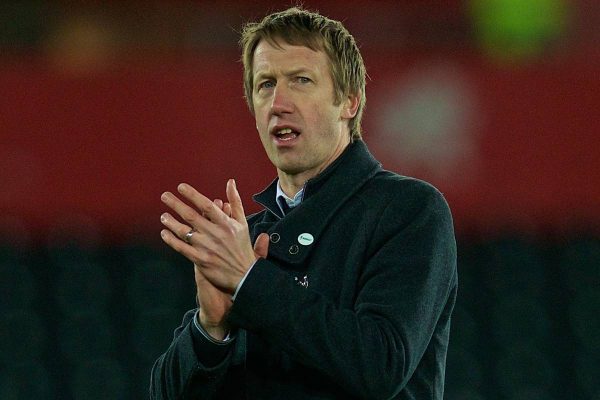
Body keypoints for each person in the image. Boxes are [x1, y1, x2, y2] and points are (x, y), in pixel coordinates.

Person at [150, 6, 457, 400]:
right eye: (265, 84)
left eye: (300, 80)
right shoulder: (249, 239)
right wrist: (210, 328)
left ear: (349, 100)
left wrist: (250, 283)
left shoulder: (408, 210)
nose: (278, 102)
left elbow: (381, 364)